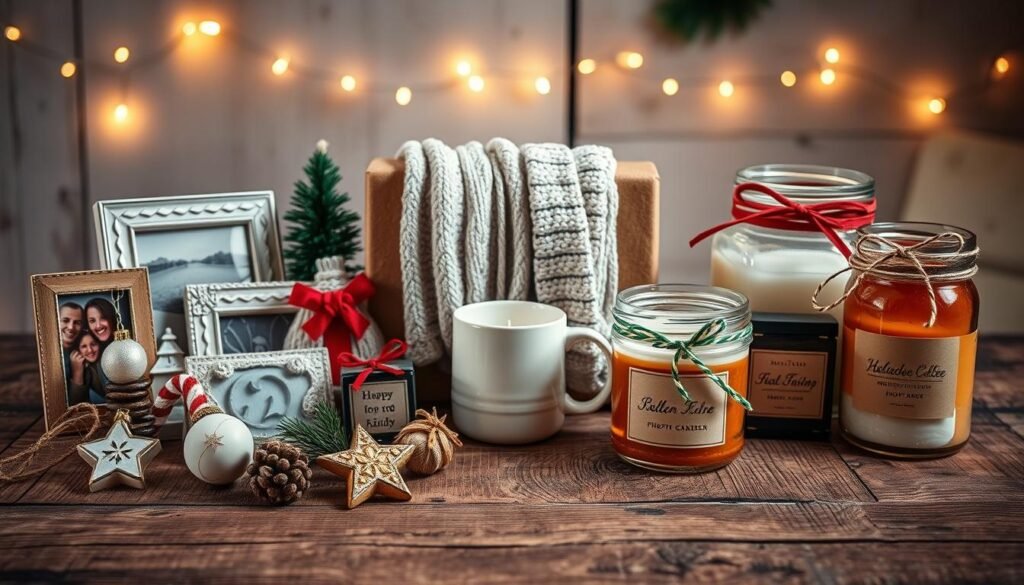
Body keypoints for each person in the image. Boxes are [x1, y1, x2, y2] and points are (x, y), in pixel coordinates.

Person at [67, 330, 107, 405]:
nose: (90, 350)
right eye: (84, 346)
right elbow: (75, 405)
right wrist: (77, 372)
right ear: (78, 350)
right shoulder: (85, 369)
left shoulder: (106, 359)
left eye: (93, 344)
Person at [58, 302, 83, 389]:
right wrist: (77, 373)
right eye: (65, 320)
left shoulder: (85, 351)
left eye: (77, 322)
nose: (71, 327)